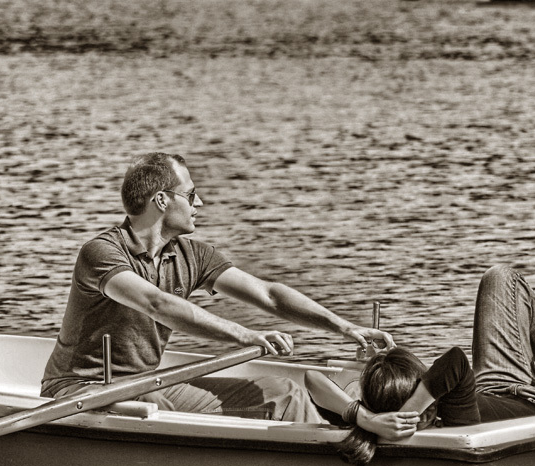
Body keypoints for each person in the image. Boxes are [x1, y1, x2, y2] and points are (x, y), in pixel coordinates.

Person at [41, 152, 393, 421]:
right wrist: (244, 335)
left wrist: (344, 327)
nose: (200, 204)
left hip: (146, 384)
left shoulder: (193, 255)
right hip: (78, 390)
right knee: (153, 405)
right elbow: (156, 304)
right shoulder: (101, 253)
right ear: (162, 200)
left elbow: (269, 295)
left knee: (285, 392)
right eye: (191, 195)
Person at [305, 265, 535, 466]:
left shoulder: (372, 423)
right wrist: (409, 416)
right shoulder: (455, 419)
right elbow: (454, 361)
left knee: (500, 277)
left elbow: (312, 378)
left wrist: (365, 417)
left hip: (497, 385)